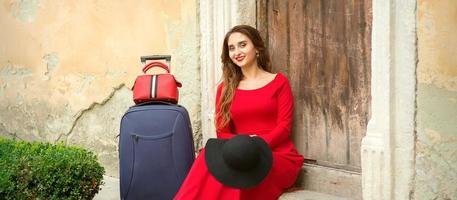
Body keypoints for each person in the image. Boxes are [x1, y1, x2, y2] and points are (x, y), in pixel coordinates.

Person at [174, 25, 304, 200]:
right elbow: (222, 132)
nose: (237, 52)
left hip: (274, 153)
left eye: (243, 45)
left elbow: (284, 127)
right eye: (231, 48)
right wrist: (242, 146)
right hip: (238, 150)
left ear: (257, 48)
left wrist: (256, 144)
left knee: (240, 176)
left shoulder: (279, 82)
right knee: (207, 156)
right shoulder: (225, 89)